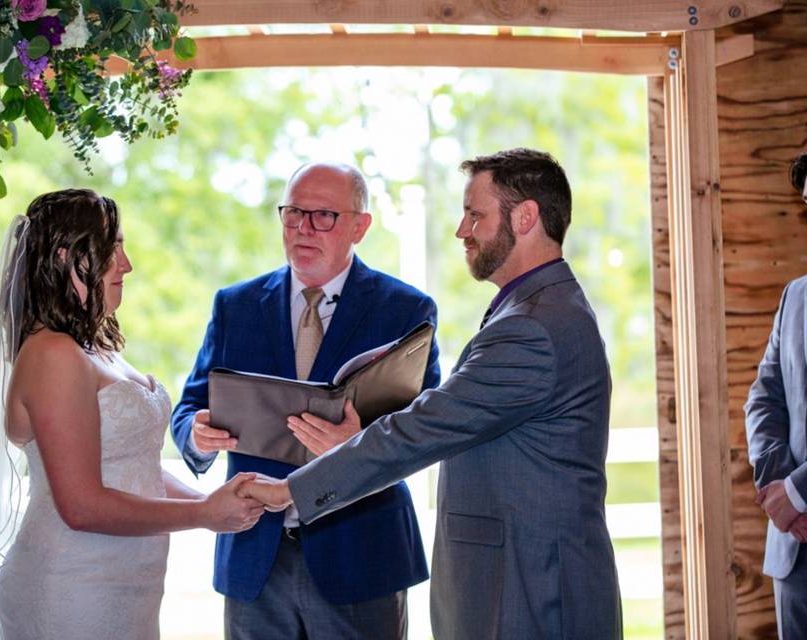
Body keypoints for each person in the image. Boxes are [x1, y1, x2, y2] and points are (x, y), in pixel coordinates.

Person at [243, 149, 623, 639]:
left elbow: (426, 425)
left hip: (531, 587)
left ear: (525, 217)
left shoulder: (534, 327)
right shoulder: (539, 307)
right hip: (524, 580)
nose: (462, 230)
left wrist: (287, 491)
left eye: (475, 214)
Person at [0, 189, 264, 639]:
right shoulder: (52, 353)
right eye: (112, 249)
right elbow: (82, 506)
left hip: (127, 584)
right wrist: (204, 516)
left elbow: (132, 468)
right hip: (73, 583)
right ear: (64, 257)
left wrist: (220, 501)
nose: (126, 264)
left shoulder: (95, 346)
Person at [170, 162, 440, 639]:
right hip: (254, 554)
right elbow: (188, 408)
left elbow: (426, 433)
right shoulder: (235, 305)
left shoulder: (407, 310)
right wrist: (196, 433)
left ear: (360, 226)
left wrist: (359, 445)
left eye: (322, 216)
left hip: (360, 553)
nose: (303, 229)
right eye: (293, 214)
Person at [744, 151, 807, 639]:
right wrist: (779, 490)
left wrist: (799, 493)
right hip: (795, 552)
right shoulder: (795, 297)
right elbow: (764, 398)